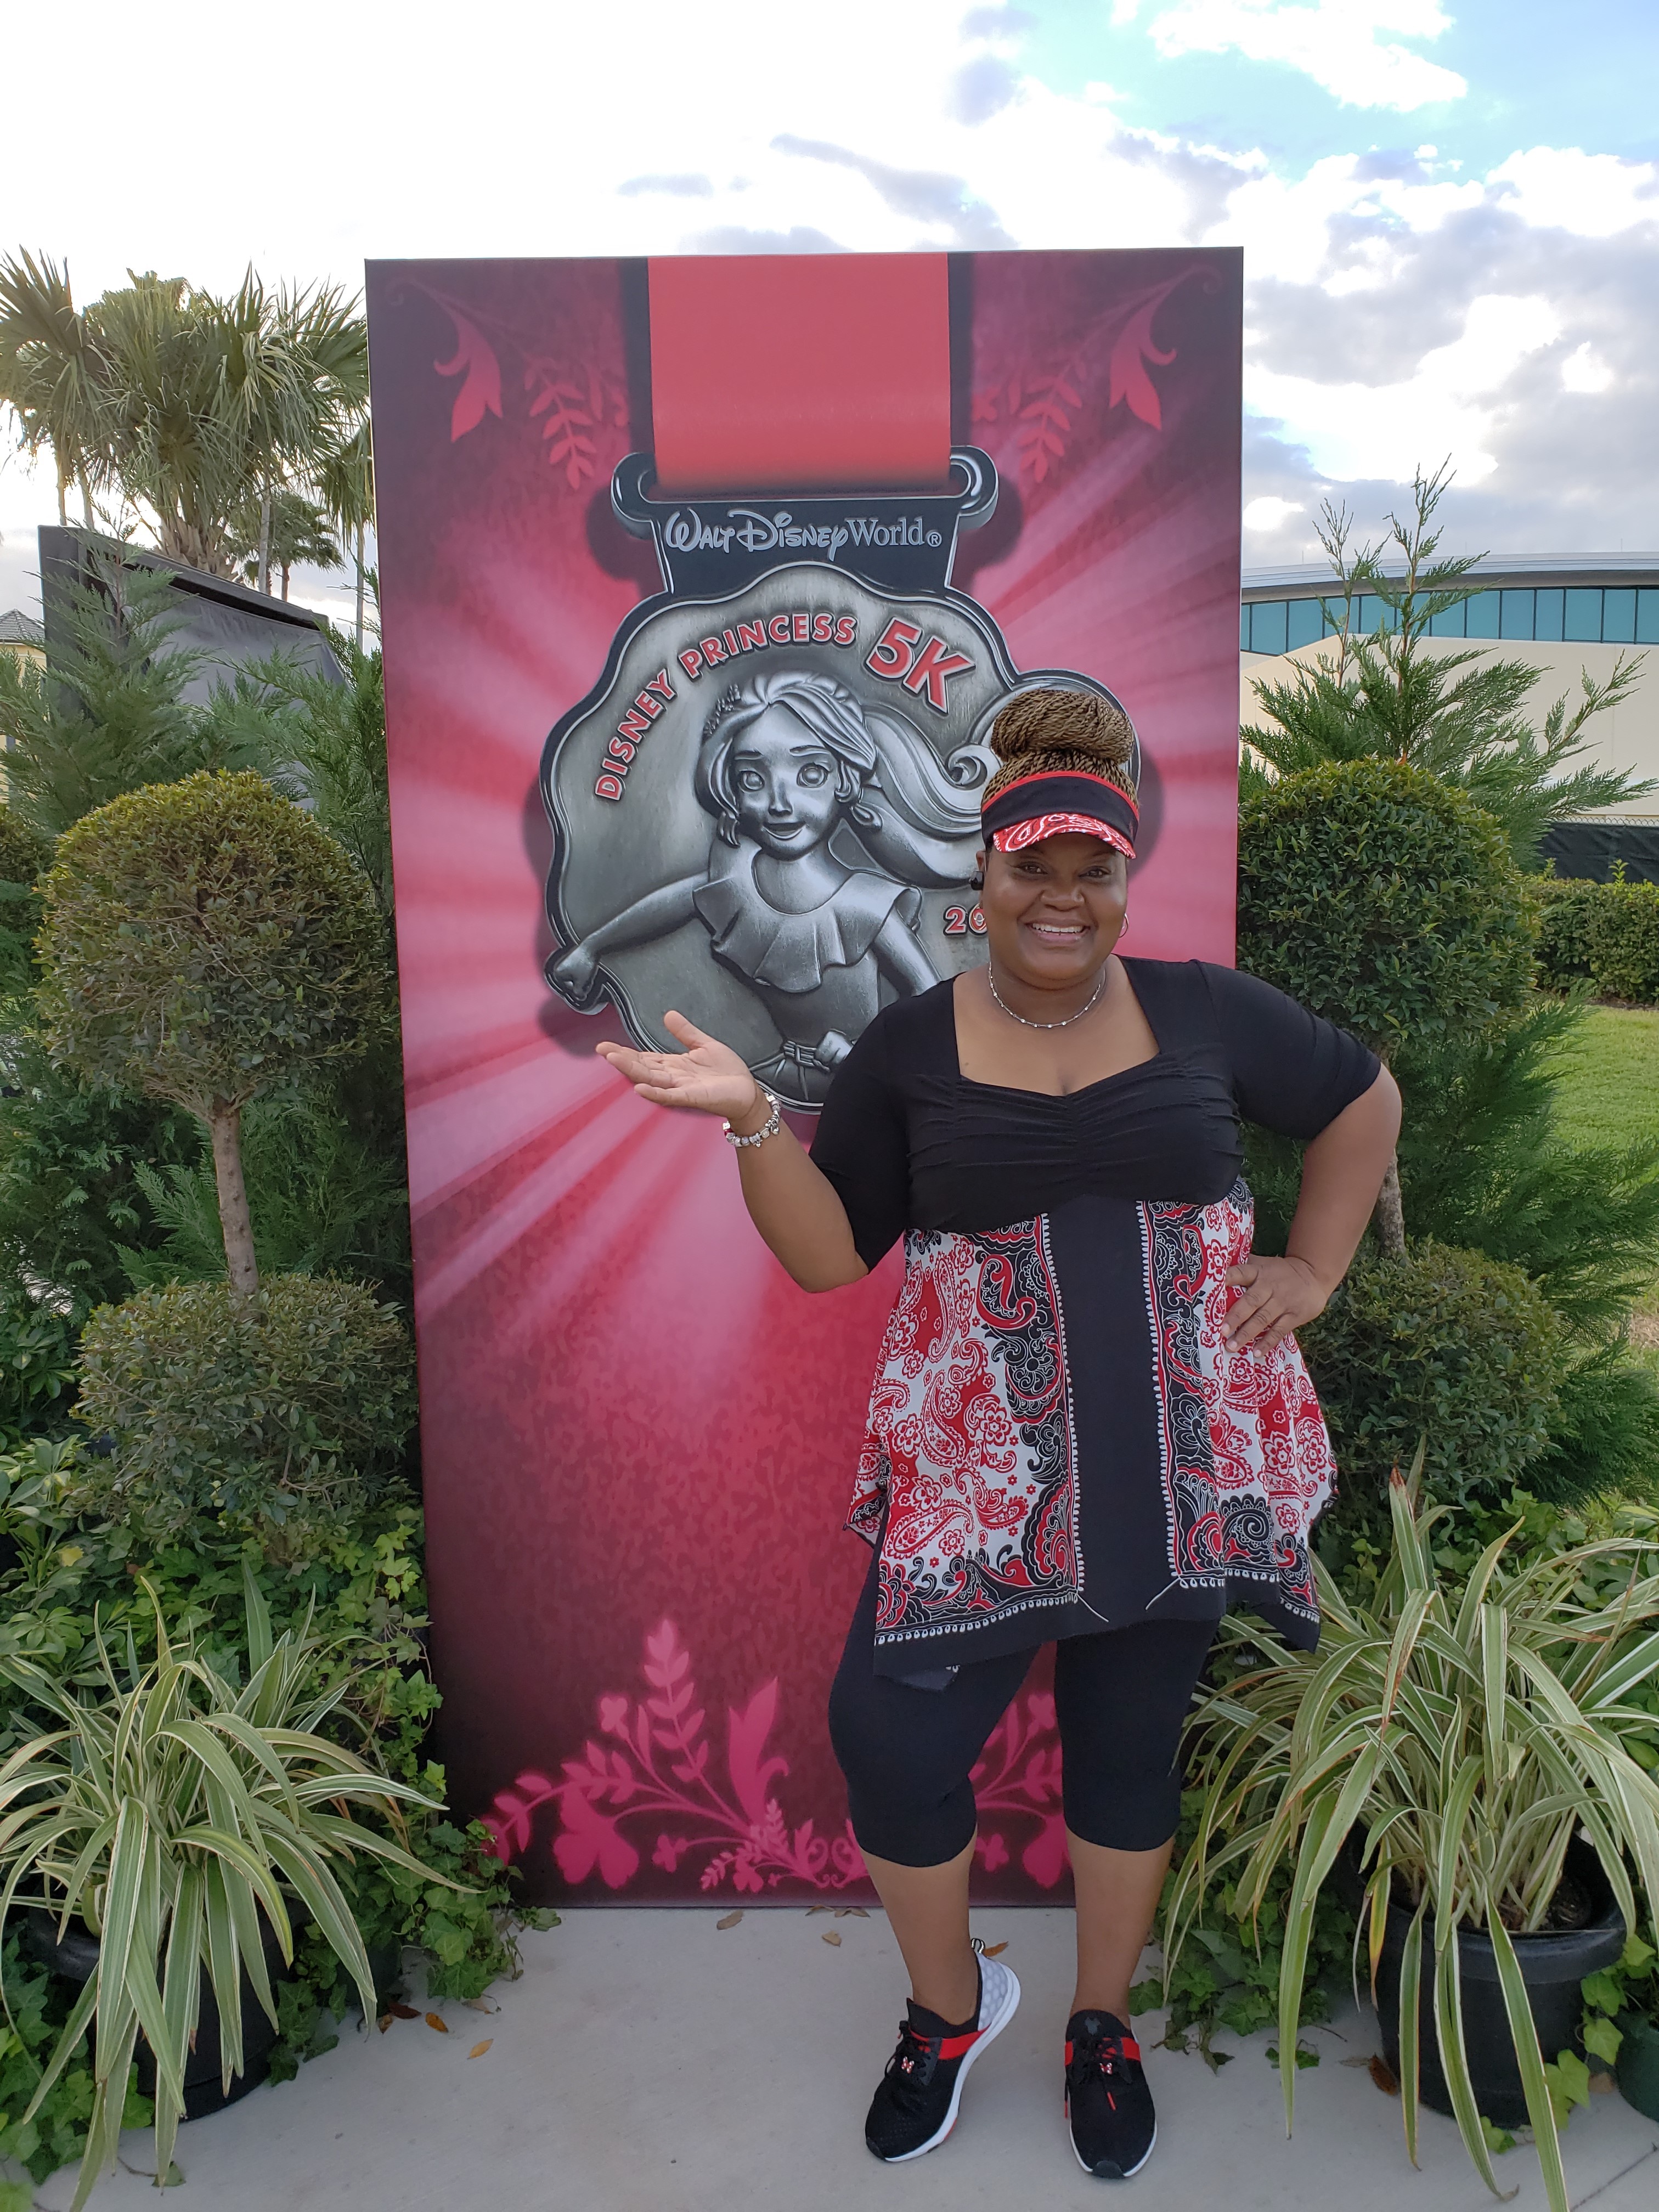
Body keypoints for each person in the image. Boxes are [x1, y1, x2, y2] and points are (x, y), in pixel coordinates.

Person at [590, 687, 1401, 2182]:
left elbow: (1361, 1100)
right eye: (1036, 868)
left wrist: (1315, 1270)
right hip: (982, 1484)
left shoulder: (1208, 1009)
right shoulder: (908, 1048)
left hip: (1175, 1472)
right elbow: (830, 1255)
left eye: (1095, 871)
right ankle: (950, 2012)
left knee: (1126, 1757)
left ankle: (1102, 2023)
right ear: (986, 871)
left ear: (1125, 879)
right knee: (888, 1734)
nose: (1063, 898)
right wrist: (754, 1116)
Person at [550, 667, 991, 1103]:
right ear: (731, 791)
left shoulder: (865, 905)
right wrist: (591, 949)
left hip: (865, 1089)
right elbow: (676, 901)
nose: (780, 804)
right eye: (753, 779)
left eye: (810, 774)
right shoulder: (737, 885)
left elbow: (932, 1003)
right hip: (774, 1081)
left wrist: (867, 1052)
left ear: (845, 779)